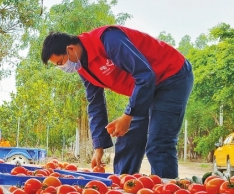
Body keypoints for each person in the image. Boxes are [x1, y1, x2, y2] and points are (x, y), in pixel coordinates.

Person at [41, 26, 193, 179]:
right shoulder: (83, 68)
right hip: (144, 89)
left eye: (61, 62)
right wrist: (98, 147)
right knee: (127, 140)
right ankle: (123, 188)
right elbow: (95, 104)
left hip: (172, 77)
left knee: (158, 144)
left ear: (71, 49)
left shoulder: (109, 40)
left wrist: (128, 116)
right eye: (58, 65)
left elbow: (145, 75)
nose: (63, 67)